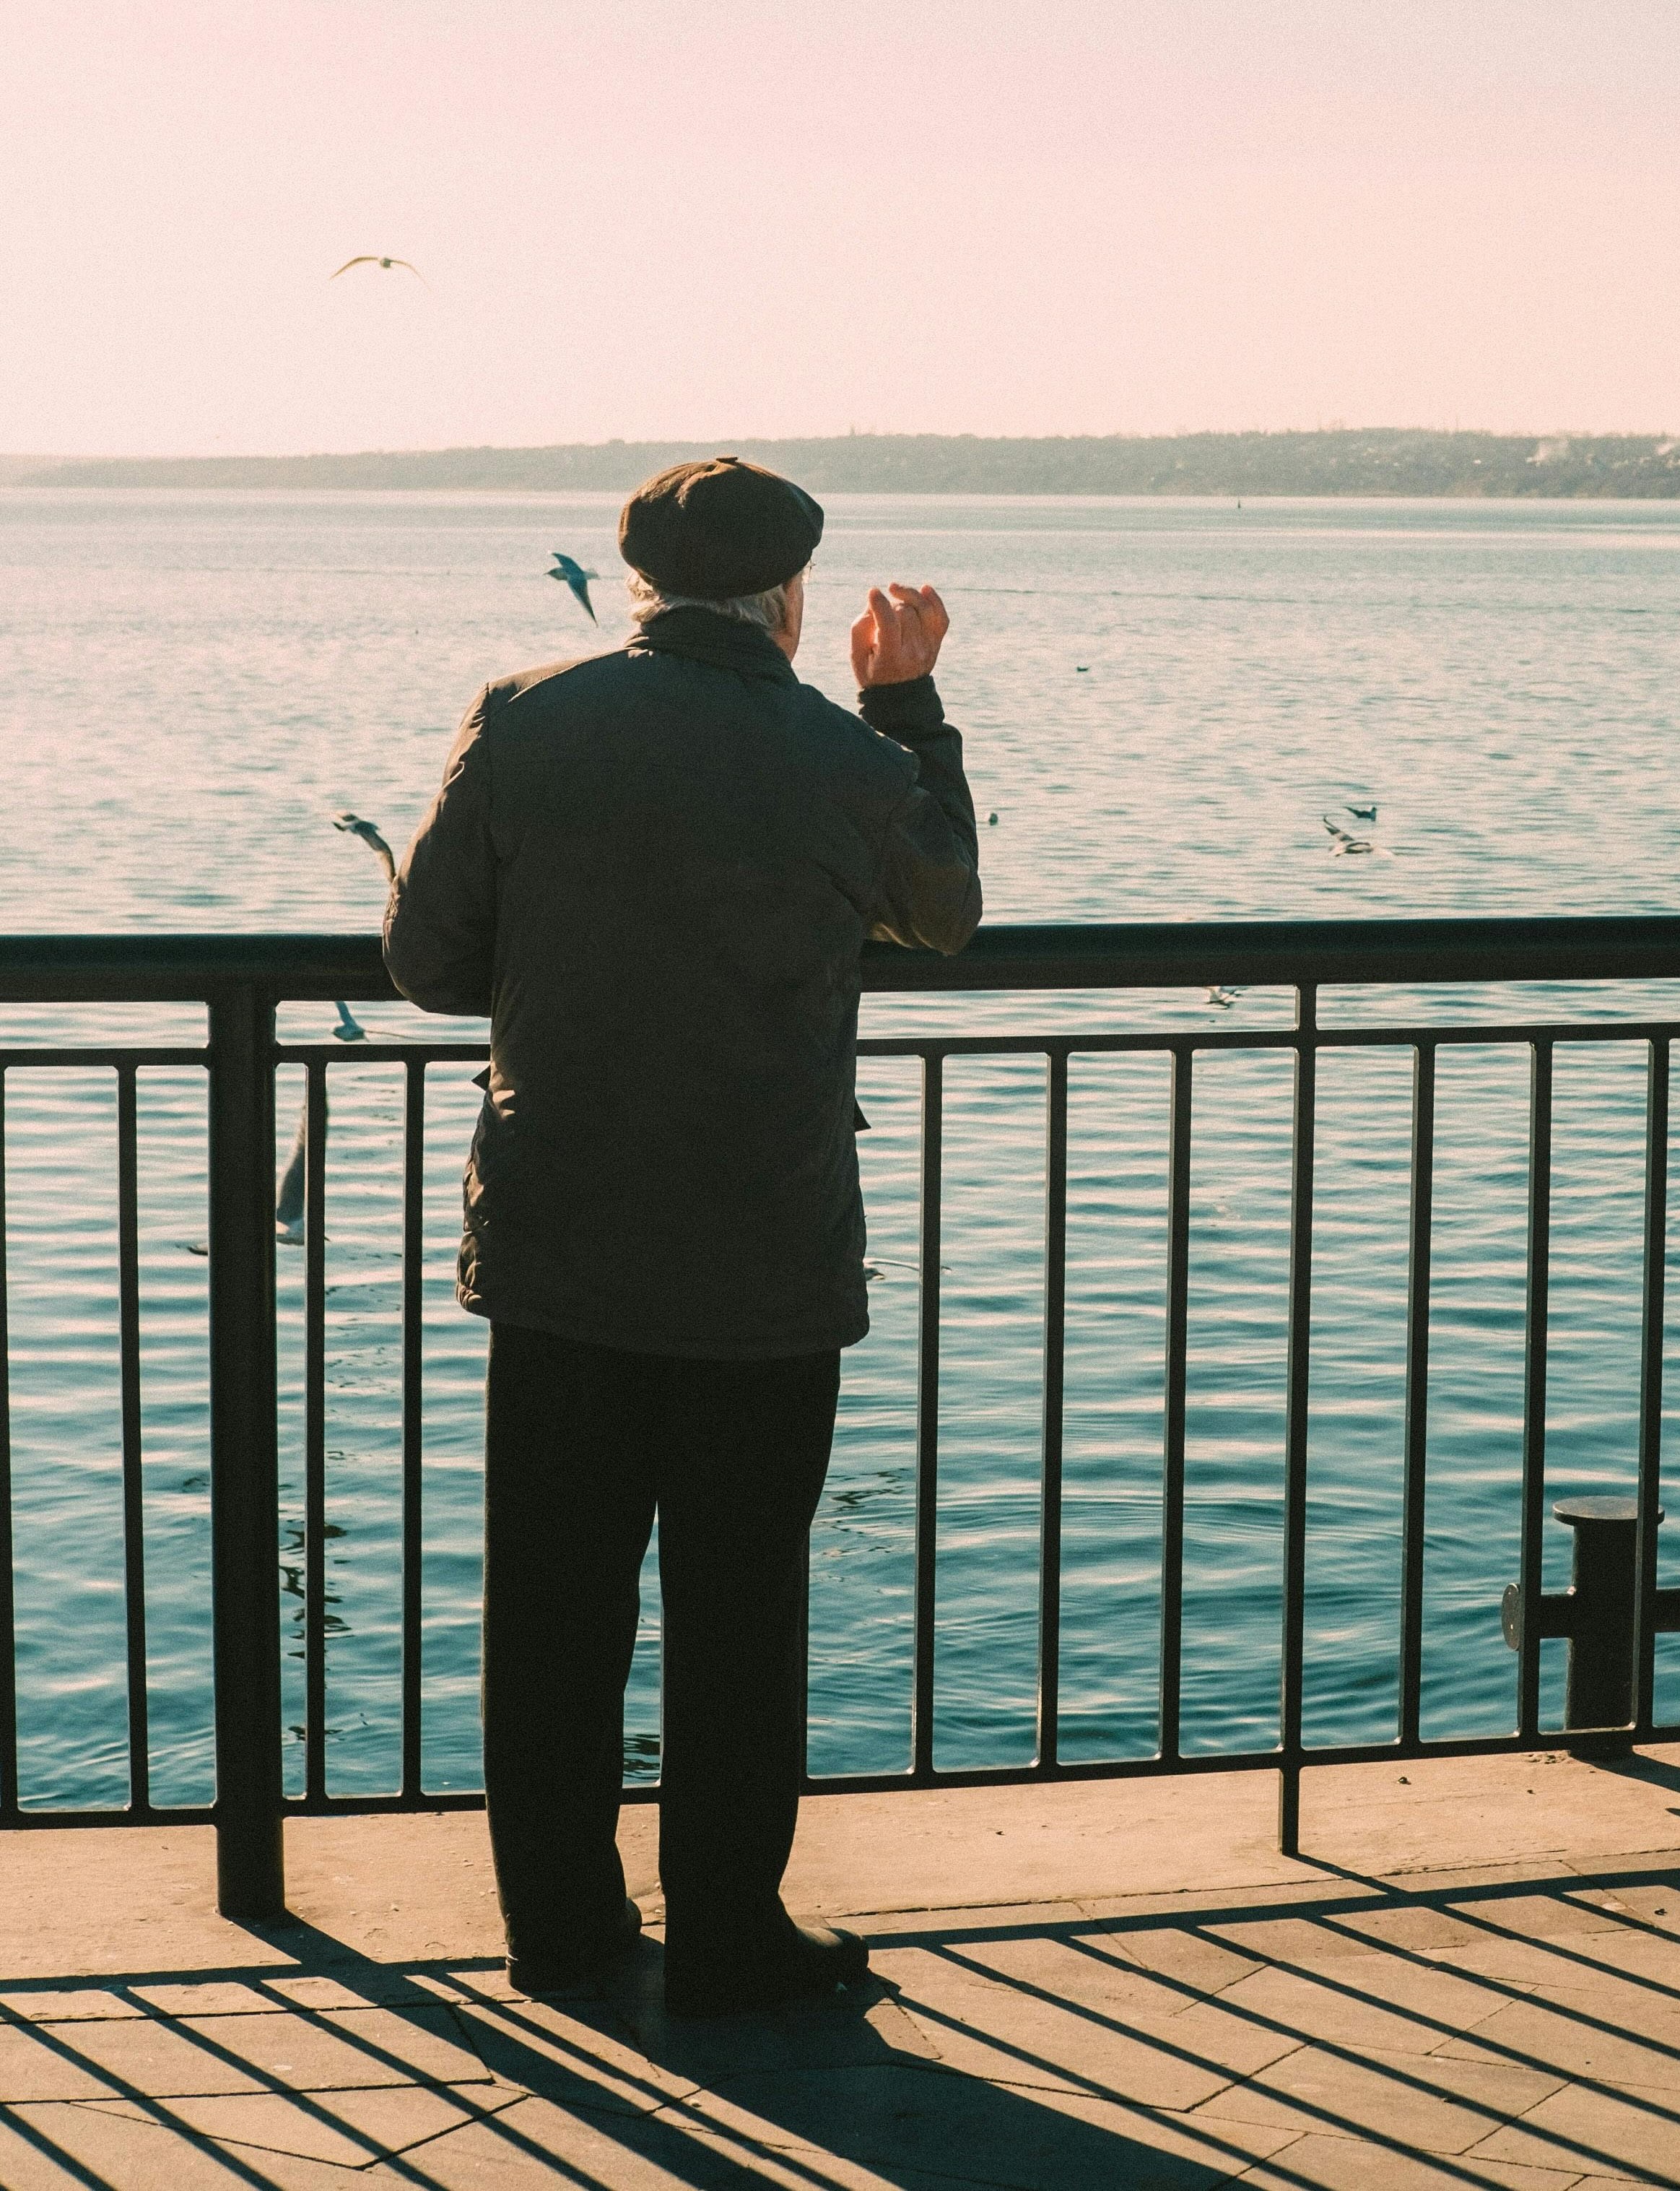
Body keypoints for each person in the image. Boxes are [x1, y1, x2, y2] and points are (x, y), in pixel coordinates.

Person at [382, 456, 980, 2015]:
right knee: (739, 1605)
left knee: (554, 1604)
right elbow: (942, 911)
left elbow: (430, 962)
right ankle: (727, 1934)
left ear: (639, 586)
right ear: (790, 599)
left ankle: (561, 1930)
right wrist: (906, 705)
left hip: (561, 1238)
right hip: (762, 1254)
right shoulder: (841, 754)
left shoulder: (524, 716)